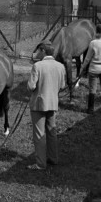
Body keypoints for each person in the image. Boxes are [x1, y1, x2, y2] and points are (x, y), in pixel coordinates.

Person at [27, 42, 67, 170]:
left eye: (38, 50)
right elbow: (62, 86)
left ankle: (40, 164)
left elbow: (31, 86)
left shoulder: (37, 66)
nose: (37, 53)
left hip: (39, 104)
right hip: (53, 102)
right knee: (51, 131)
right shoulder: (61, 66)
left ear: (43, 50)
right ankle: (53, 158)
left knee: (39, 134)